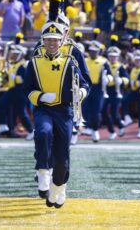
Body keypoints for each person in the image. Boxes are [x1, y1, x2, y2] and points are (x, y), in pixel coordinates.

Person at [23, 21, 89, 208]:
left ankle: (59, 187)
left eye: (55, 40)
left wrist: (81, 94)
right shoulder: (34, 63)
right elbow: (27, 89)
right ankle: (43, 170)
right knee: (43, 133)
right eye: (48, 40)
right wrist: (41, 96)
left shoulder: (70, 62)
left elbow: (84, 84)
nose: (52, 43)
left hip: (64, 111)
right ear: (43, 41)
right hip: (44, 108)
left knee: (63, 156)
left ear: (61, 42)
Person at [0, 44, 34, 140]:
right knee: (1, 105)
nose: (13, 56)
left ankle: (30, 130)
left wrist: (16, 78)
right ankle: (3, 124)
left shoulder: (24, 65)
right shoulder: (14, 65)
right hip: (12, 90)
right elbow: (9, 78)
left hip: (20, 92)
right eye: (14, 54)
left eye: (16, 54)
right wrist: (5, 76)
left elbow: (25, 79)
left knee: (21, 112)